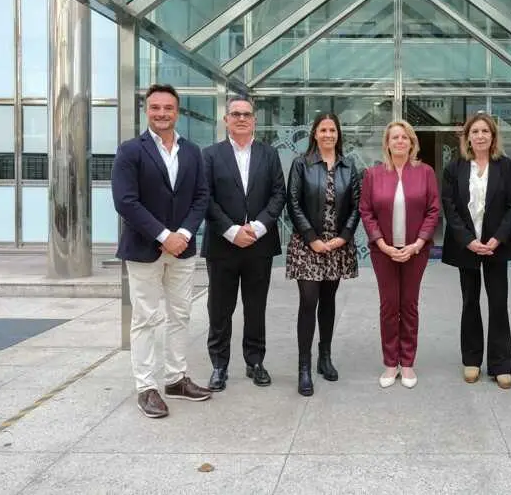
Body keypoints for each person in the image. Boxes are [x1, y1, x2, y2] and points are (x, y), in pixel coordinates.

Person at [112, 83, 211, 418]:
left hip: (183, 248)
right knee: (145, 318)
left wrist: (182, 233)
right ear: (147, 110)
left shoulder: (192, 151)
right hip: (144, 249)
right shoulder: (130, 151)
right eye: (156, 108)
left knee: (181, 314)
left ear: (177, 111)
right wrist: (162, 235)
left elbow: (201, 197)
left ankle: (175, 378)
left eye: (168, 108)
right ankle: (146, 387)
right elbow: (125, 201)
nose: (162, 114)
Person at [201, 96, 286, 392]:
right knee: (220, 309)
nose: (241, 118)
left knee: (255, 307)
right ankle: (219, 366)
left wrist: (259, 226)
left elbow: (279, 194)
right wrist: (231, 230)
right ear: (225, 120)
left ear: (254, 120)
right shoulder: (209, 155)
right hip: (223, 245)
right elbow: (205, 198)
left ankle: (255, 361)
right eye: (235, 114)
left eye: (246, 114)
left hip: (259, 246)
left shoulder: (269, 154)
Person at [360, 120, 440, 389]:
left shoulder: (425, 172)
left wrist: (417, 244)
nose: (400, 141)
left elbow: (433, 210)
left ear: (412, 142)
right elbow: (366, 211)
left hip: (415, 251)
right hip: (383, 252)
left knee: (409, 305)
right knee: (388, 306)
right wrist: (381, 243)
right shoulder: (374, 174)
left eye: (405, 137)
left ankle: (407, 363)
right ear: (387, 143)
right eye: (395, 137)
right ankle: (390, 363)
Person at [441, 113, 511, 389]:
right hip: (467, 247)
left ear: (493, 136)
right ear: (468, 137)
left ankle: (501, 364)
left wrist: (498, 238)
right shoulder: (455, 168)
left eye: (485, 131)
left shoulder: (506, 167)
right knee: (470, 301)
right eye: (475, 131)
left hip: (496, 245)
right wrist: (467, 240)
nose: (480, 136)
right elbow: (449, 207)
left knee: (499, 303)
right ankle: (472, 359)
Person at [286, 112, 360, 397]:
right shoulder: (301, 164)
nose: (328, 134)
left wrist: (344, 236)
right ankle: (303, 367)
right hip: (308, 245)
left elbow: (356, 205)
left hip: (337, 246)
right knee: (308, 301)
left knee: (328, 301)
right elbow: (293, 203)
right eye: (323, 130)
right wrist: (311, 238)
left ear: (338, 134)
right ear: (314, 134)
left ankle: (324, 357)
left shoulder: (348, 166)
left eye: (333, 130)